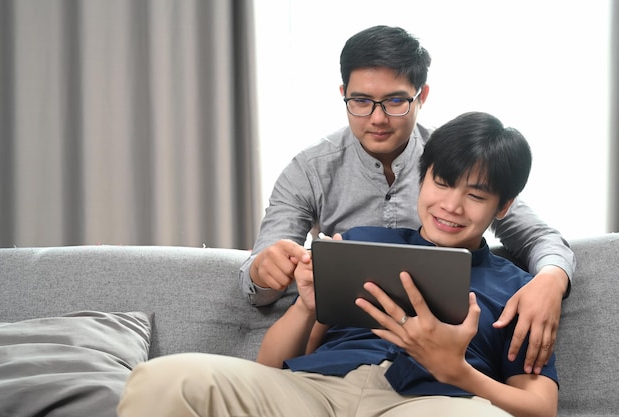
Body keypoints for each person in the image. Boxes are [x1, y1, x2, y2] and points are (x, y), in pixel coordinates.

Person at [117, 111, 558, 417]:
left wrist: (455, 369)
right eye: (441, 183)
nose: (451, 206)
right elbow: (269, 367)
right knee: (164, 379)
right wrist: (307, 304)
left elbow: (540, 407)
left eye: (476, 196)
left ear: (503, 207)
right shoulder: (361, 243)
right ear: (422, 177)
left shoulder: (520, 292)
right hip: (316, 394)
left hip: (435, 401)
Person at [240, 25, 574, 374]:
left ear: (422, 96)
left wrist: (550, 279)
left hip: (435, 358)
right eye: (361, 101)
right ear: (343, 94)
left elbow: (537, 235)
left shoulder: (451, 162)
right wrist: (265, 271)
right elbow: (254, 285)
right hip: (344, 344)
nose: (378, 118)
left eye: (396, 101)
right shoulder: (309, 170)